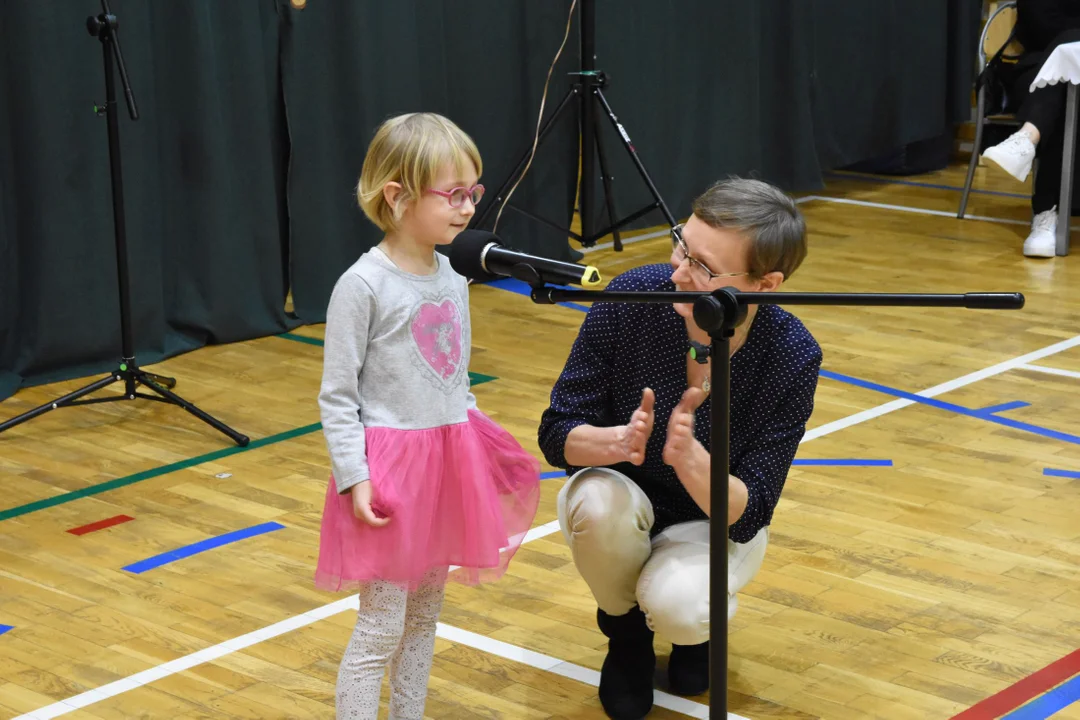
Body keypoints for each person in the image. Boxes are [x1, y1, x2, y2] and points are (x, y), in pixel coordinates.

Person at [538, 177, 821, 720]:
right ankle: (625, 638)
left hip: (713, 520)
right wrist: (619, 442)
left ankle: (693, 634)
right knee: (595, 506)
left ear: (765, 285)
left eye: (704, 268)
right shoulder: (633, 297)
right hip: (625, 497)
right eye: (681, 247)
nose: (677, 274)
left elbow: (750, 512)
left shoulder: (793, 353)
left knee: (682, 610)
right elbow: (557, 433)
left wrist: (691, 460)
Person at [315, 112, 541, 719]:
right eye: (453, 195)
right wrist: (354, 477)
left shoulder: (452, 276)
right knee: (381, 627)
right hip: (390, 475)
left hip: (447, 465)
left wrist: (479, 445)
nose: (467, 208)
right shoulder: (361, 286)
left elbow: (453, 379)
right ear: (397, 195)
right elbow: (337, 396)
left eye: (474, 193)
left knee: (423, 620)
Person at [979, 0, 1080, 257]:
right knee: (1065, 92)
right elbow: (1042, 27)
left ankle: (1028, 137)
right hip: (1040, 69)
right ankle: (1046, 214)